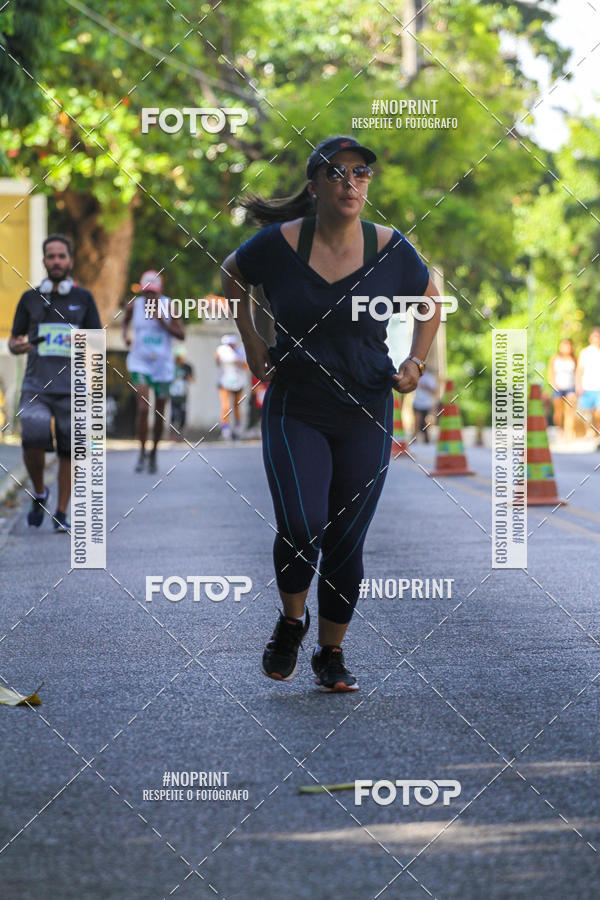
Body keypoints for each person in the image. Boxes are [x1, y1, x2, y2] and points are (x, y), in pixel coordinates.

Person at [221, 135, 441, 692]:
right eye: (338, 172)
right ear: (314, 183)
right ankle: (293, 623)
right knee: (302, 525)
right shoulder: (279, 244)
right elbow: (231, 273)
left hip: (366, 407)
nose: (351, 182)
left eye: (361, 173)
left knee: (345, 538)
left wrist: (415, 361)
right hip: (297, 403)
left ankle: (330, 653)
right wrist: (251, 339)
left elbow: (430, 300)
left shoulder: (390, 248)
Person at [8, 234, 101, 532]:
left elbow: (97, 341)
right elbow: (14, 340)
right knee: (31, 438)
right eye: (51, 256)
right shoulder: (30, 299)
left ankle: (62, 512)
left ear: (70, 261)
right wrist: (18, 347)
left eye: (62, 256)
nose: (57, 261)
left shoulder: (84, 299)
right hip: (36, 387)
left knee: (69, 451)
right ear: (44, 261)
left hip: (72, 389)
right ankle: (39, 492)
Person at [122, 270, 184, 472]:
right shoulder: (134, 306)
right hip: (140, 362)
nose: (149, 297)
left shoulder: (169, 306)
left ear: (160, 292)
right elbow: (125, 321)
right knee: (142, 408)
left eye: (153, 293)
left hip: (163, 366)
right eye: (146, 293)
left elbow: (181, 335)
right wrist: (126, 335)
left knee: (159, 412)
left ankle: (154, 453)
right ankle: (141, 452)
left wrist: (162, 322)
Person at [215, 334, 248, 440]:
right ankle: (225, 430)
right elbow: (217, 360)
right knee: (225, 406)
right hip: (224, 382)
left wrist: (236, 361)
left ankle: (237, 430)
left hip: (238, 382)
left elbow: (247, 366)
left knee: (237, 406)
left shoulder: (241, 351)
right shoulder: (222, 350)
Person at [547, 339, 576, 440]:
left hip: (570, 388)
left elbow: (577, 373)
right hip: (558, 387)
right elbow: (550, 372)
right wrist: (553, 384)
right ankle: (560, 428)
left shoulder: (573, 359)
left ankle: (569, 431)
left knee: (569, 410)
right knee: (558, 412)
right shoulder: (555, 359)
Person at [576, 328, 600, 439]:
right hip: (587, 386)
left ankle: (597, 430)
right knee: (587, 412)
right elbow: (579, 370)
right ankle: (590, 431)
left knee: (598, 412)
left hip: (598, 387)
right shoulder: (585, 352)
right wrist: (578, 385)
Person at [169, 346, 195, 441]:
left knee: (183, 415)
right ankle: (172, 433)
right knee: (173, 415)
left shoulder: (187, 367)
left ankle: (180, 434)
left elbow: (193, 379)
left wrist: (186, 376)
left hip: (183, 395)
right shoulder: (171, 366)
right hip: (173, 394)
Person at [412, 369, 439, 443]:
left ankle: (427, 439)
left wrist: (426, 387)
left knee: (426, 422)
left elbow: (435, 391)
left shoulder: (430, 377)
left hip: (427, 404)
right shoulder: (416, 375)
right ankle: (414, 439)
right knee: (417, 421)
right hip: (417, 402)